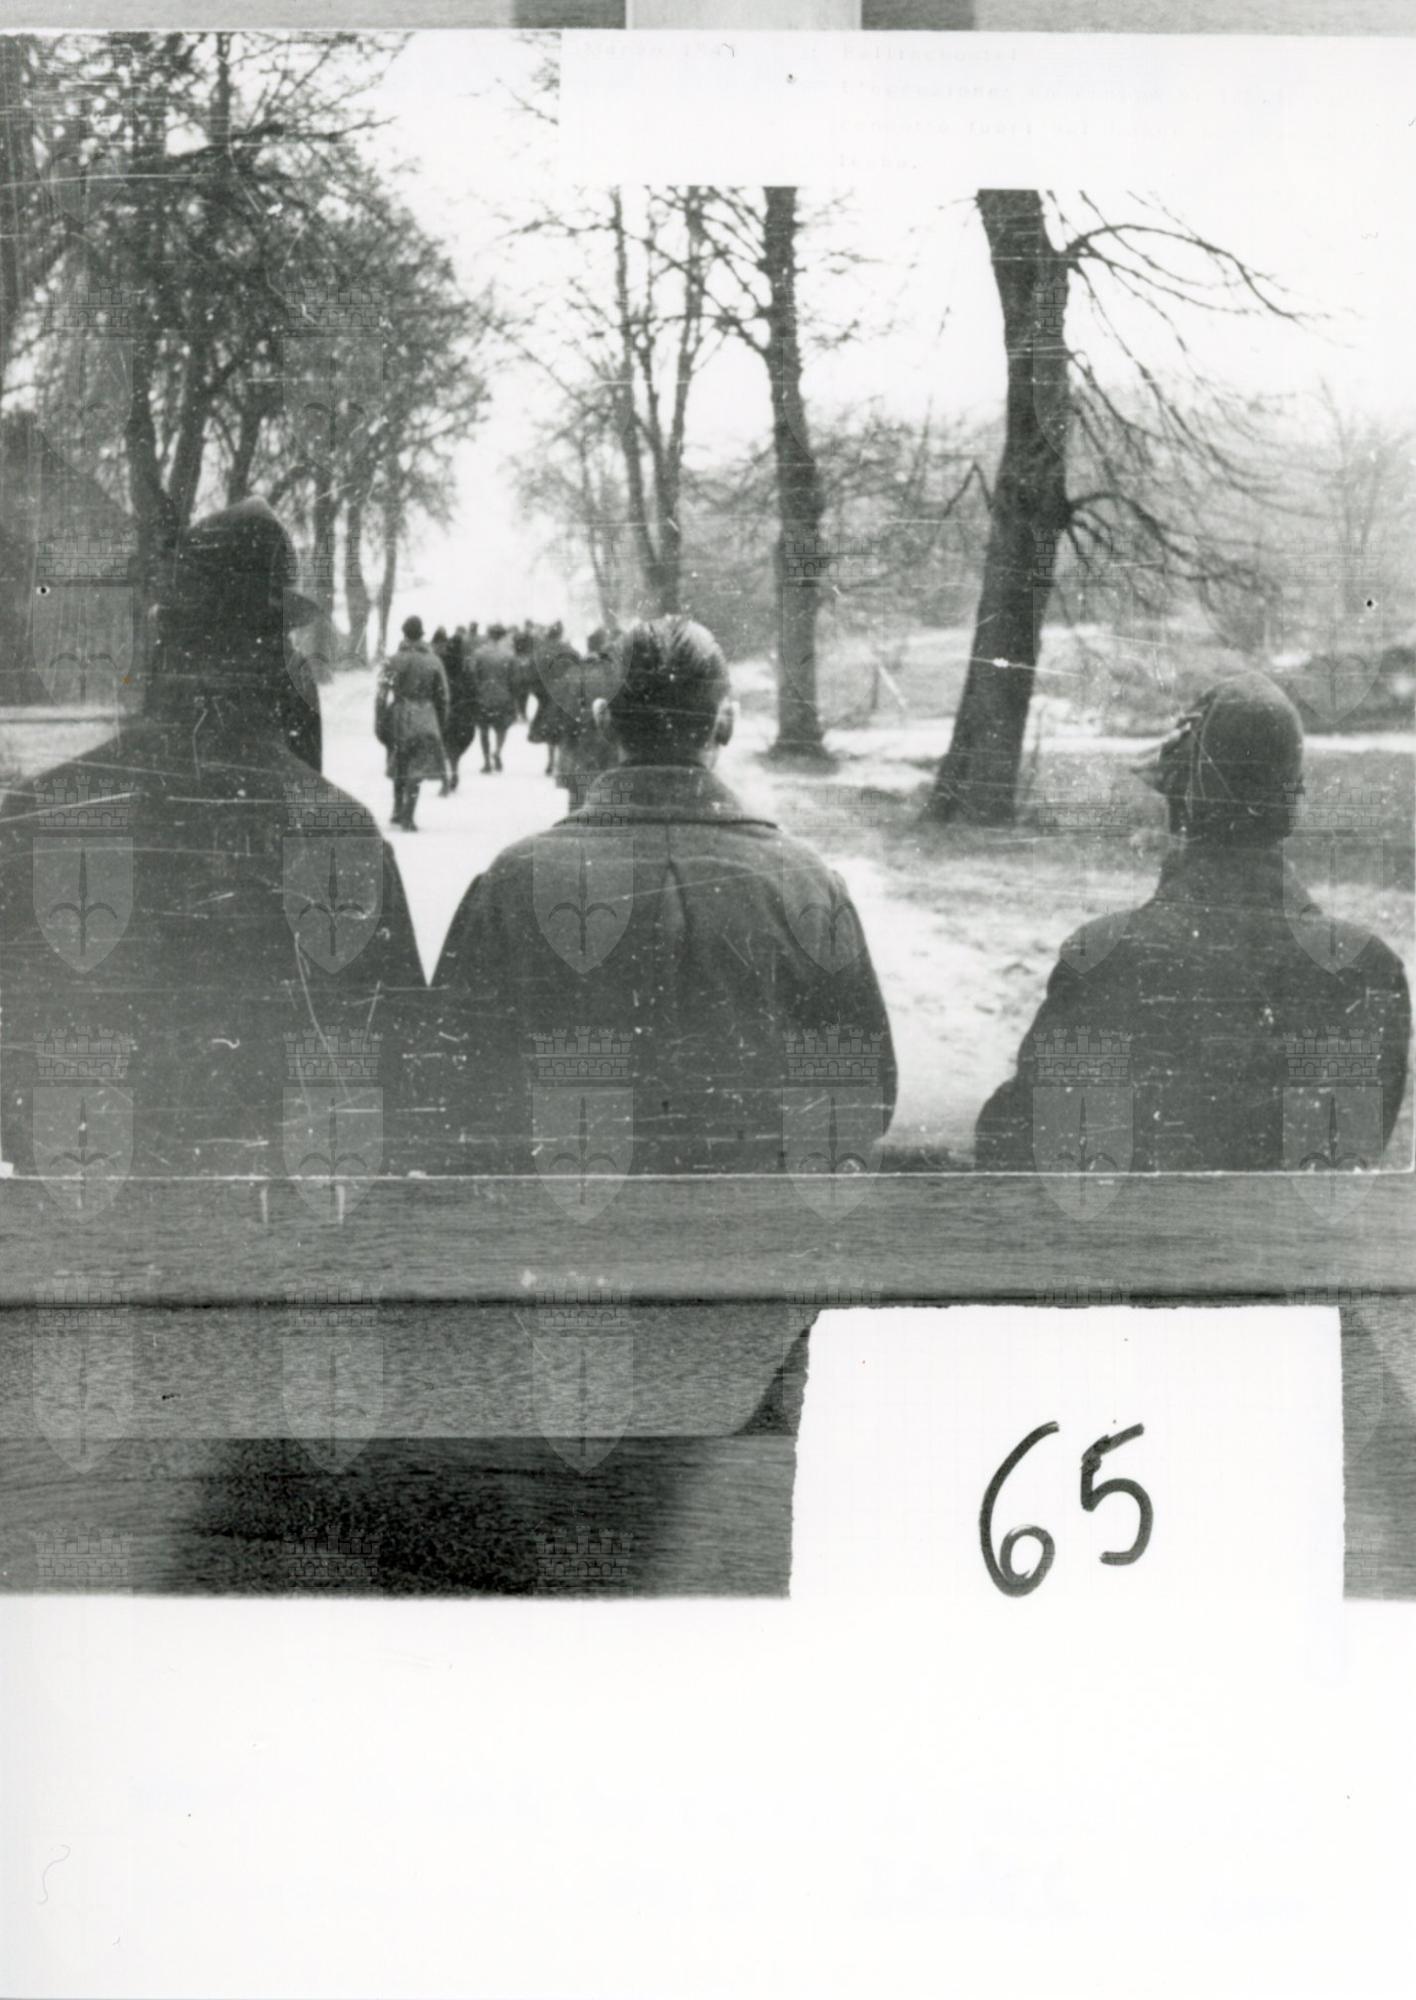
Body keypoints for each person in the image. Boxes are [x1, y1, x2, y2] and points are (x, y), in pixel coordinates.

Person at [0, 496, 426, 1183]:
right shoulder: (341, 832)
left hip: (82, 1217)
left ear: (164, 640)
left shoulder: (37, 813)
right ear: (272, 657)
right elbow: (404, 1086)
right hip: (277, 1223)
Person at [430, 614, 897, 1175]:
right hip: (747, 1216)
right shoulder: (806, 881)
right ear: (725, 723)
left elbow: (447, 1089)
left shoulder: (511, 879)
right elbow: (864, 1096)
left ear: (604, 720)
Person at [974, 670, 1411, 1172]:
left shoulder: (1104, 957)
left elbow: (1014, 1149)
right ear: (1289, 807)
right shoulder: (1368, 970)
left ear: (1181, 808)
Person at [385, 614, 449, 830]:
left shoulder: (393, 660)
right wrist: (441, 721)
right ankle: (409, 814)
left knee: (399, 761)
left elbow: (381, 694)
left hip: (399, 714)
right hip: (425, 714)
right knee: (418, 765)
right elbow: (443, 696)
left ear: (404, 634)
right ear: (422, 635)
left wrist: (381, 719)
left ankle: (396, 808)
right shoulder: (433, 660)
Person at [470, 623, 518, 773]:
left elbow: (473, 675)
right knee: (501, 728)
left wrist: (478, 690)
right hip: (503, 695)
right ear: (502, 636)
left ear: (489, 634)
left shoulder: (479, 653)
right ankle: (497, 751)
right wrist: (513, 696)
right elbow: (514, 678)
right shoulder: (509, 654)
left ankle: (486, 762)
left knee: (484, 730)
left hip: (483, 696)